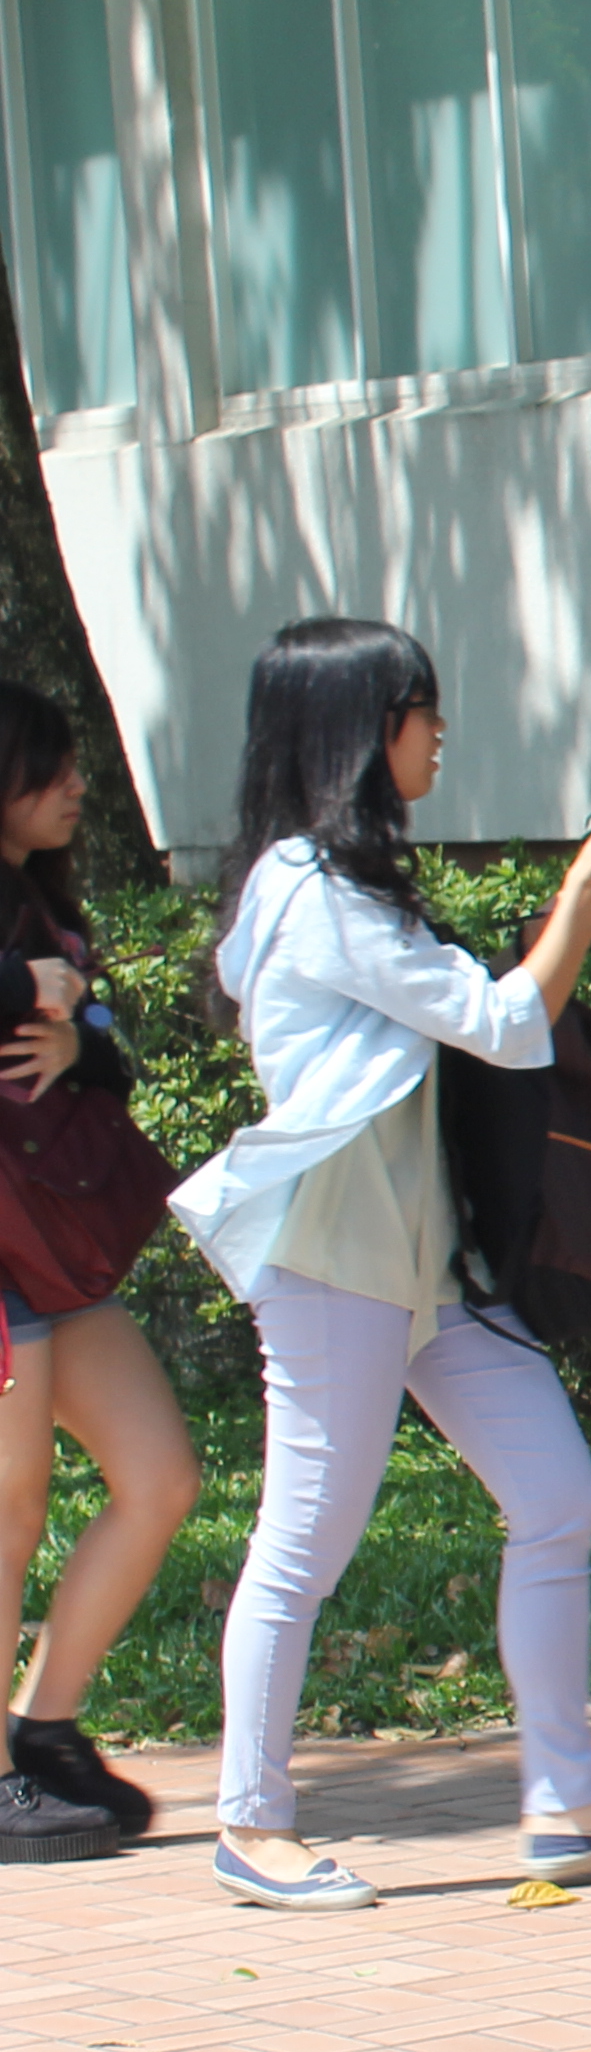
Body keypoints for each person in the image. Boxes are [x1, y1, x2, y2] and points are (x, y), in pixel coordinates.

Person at [172, 619, 591, 1910]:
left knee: (557, 1495)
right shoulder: (311, 891)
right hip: (341, 1261)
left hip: (425, 1263)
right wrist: (586, 887)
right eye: (423, 707)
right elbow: (511, 1024)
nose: (440, 729)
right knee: (305, 1542)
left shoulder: (340, 882)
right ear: (362, 730)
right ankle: (249, 1823)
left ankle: (566, 1799)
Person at [0, 684, 197, 1858]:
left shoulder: (41, 897)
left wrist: (82, 1032)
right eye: (55, 766)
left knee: (161, 1475)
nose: (80, 786)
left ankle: (48, 1728)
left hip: (52, 1238)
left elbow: (112, 1050)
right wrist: (35, 992)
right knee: (11, 1510)